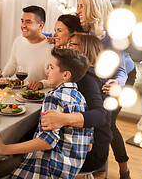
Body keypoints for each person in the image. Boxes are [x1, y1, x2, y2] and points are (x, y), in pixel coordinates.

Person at [0, 47, 92, 179]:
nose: (47, 71)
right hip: (69, 169)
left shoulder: (54, 97)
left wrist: (5, 148)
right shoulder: (80, 97)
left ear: (66, 75)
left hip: (48, 168)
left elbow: (47, 141)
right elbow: (88, 144)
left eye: (51, 67)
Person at [77, 0, 133, 178]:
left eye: (82, 7)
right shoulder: (86, 30)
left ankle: (124, 171)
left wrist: (118, 83)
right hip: (101, 77)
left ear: (93, 7)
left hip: (121, 78)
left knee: (109, 124)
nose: (78, 11)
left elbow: (121, 70)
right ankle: (99, 164)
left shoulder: (113, 34)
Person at [42, 33, 112, 175]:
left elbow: (100, 115)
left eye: (71, 44)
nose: (66, 48)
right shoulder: (89, 74)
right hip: (89, 145)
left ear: (86, 49)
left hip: (89, 152)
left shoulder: (87, 78)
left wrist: (62, 119)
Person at [0, 5, 53, 90]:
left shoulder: (51, 48)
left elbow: (57, 80)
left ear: (40, 25)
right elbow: (12, 64)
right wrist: (3, 75)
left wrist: (42, 84)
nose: (23, 25)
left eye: (28, 22)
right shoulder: (18, 40)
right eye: (22, 21)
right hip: (18, 92)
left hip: (38, 95)